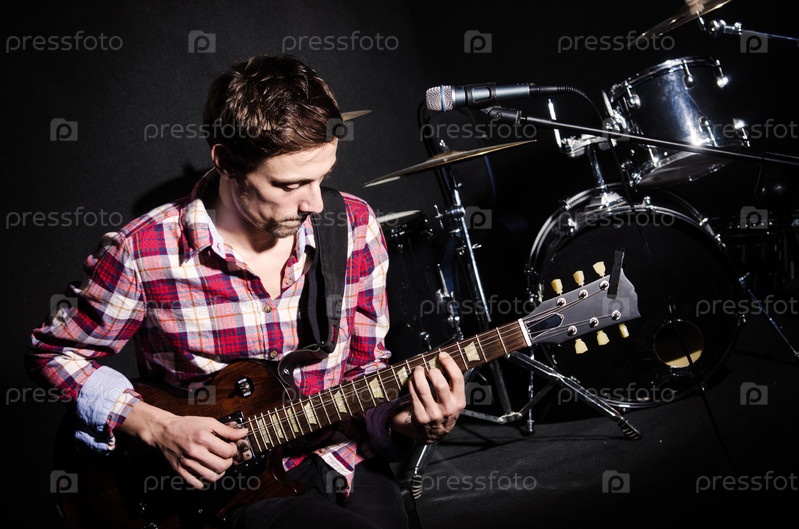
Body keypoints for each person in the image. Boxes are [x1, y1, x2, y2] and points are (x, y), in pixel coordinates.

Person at [27, 54, 466, 529]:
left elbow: (365, 371)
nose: (315, 203)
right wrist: (158, 426)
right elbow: (54, 354)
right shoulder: (143, 251)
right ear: (227, 163)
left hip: (343, 457)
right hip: (229, 493)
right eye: (290, 184)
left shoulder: (353, 225)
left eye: (322, 177)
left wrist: (411, 421)